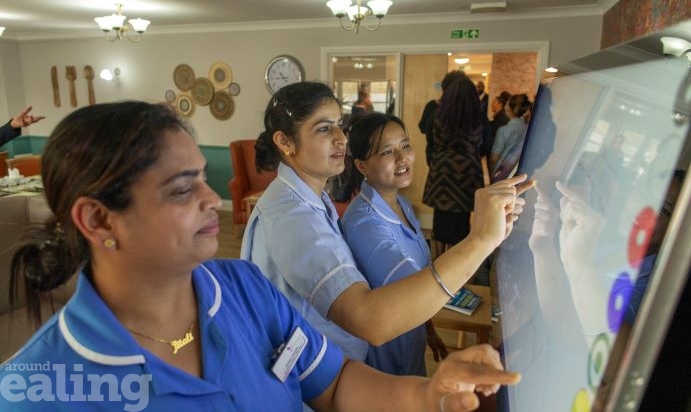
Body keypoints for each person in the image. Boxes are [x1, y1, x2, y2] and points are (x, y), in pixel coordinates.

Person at [1, 101, 521, 411]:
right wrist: (480, 241)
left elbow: (335, 384)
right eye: (182, 190)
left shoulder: (242, 288)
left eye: (203, 179)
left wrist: (428, 394)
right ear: (98, 220)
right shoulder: (38, 390)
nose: (212, 200)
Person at [241, 81, 533, 370]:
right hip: (312, 384)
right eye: (323, 128)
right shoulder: (294, 217)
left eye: (339, 125)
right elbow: (370, 320)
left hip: (334, 372)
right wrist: (480, 239)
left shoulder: (312, 199)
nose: (341, 138)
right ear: (285, 142)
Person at [341, 112, 450, 376]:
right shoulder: (364, 223)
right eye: (387, 152)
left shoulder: (400, 203)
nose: (402, 158)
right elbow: (409, 291)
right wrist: (481, 237)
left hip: (410, 342)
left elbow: (418, 276)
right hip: (384, 363)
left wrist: (428, 330)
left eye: (405, 145)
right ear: (362, 166)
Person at [422, 71, 488, 255]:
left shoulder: (437, 116)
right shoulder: (479, 118)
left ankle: (437, 259)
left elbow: (431, 144)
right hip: (468, 176)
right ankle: (454, 260)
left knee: (440, 220)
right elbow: (486, 148)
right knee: (461, 222)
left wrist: (438, 162)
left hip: (442, 172)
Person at [488, 94, 532, 182]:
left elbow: (494, 158)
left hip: (501, 176)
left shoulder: (504, 130)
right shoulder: (528, 128)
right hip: (520, 175)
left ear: (508, 108)